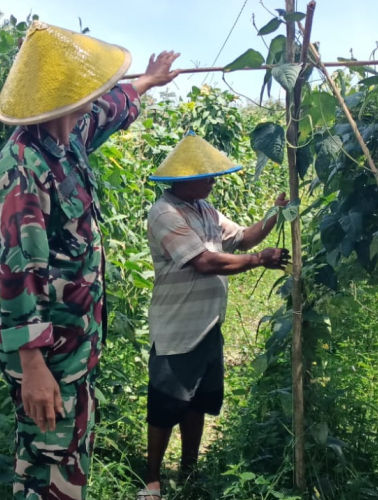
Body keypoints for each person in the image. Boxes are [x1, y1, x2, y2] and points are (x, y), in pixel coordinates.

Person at [0, 21, 180, 500]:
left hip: (73, 348)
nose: (95, 97)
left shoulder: (67, 138)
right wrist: (32, 365)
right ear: (68, 96)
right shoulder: (23, 167)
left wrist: (150, 80)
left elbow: (114, 108)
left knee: (64, 459)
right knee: (47, 471)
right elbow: (17, 272)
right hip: (47, 357)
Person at [138, 133, 291, 500]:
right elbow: (204, 262)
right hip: (177, 326)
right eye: (207, 176)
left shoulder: (206, 211)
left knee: (198, 400)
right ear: (185, 178)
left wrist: (275, 212)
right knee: (165, 402)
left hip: (207, 325)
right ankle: (152, 479)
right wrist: (258, 262)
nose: (213, 181)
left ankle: (189, 469)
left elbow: (243, 239)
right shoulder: (164, 213)